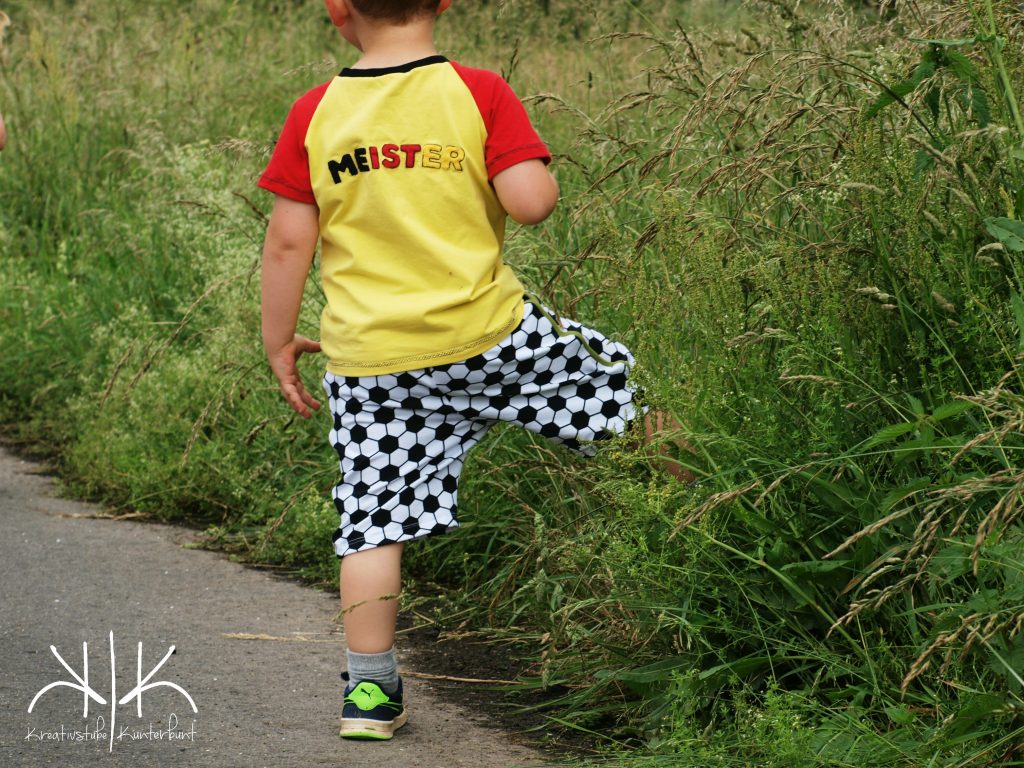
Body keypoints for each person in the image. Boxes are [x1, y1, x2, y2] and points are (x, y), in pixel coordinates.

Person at [258, 0, 688, 742]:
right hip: (492, 337)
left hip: (371, 362)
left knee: (372, 519)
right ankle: (714, 518)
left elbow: (288, 244)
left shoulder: (315, 112)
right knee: (626, 397)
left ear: (338, 11)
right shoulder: (479, 90)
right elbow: (531, 204)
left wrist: (277, 342)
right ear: (444, 2)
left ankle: (368, 695)